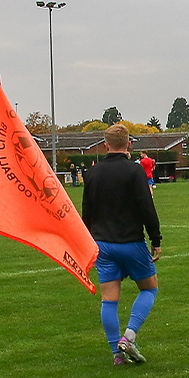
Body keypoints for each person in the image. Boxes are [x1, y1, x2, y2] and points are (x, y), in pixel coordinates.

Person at [81, 123, 161, 365]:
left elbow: (86, 212)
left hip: (102, 245)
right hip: (130, 242)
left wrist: (86, 242)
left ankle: (117, 355)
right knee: (149, 288)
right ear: (128, 144)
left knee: (109, 299)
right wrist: (155, 239)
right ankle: (129, 336)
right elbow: (146, 207)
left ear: (105, 145)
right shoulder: (134, 172)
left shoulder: (92, 173)